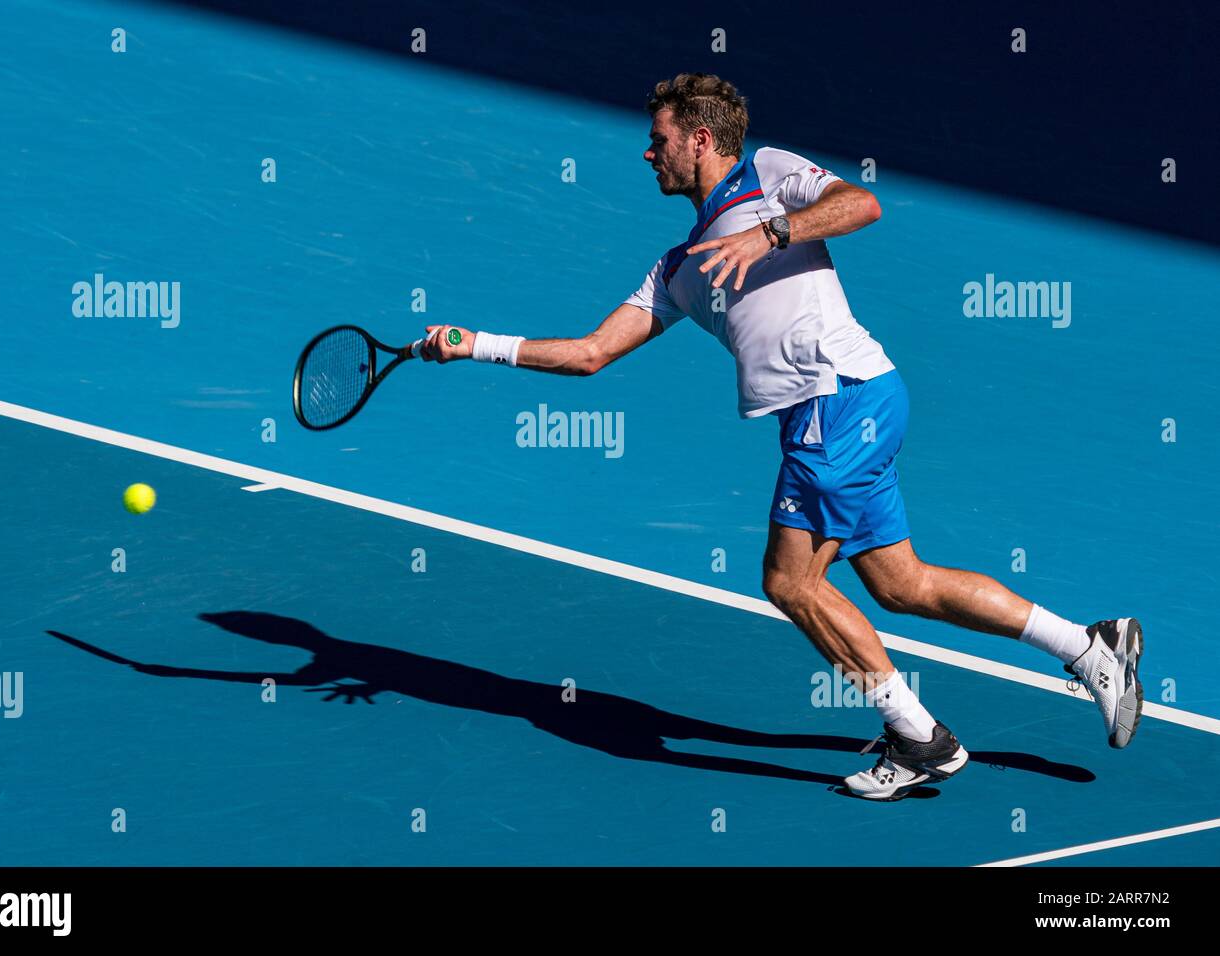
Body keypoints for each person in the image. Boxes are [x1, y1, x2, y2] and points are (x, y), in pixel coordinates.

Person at [419, 72, 1143, 801]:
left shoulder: (765, 173)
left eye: (659, 140)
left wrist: (771, 233)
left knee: (789, 581)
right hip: (832, 414)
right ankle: (1088, 644)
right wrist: (472, 342)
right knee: (901, 583)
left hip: (842, 398)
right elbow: (589, 353)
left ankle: (919, 736)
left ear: (700, 140)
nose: (648, 154)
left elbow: (861, 203)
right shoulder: (676, 269)